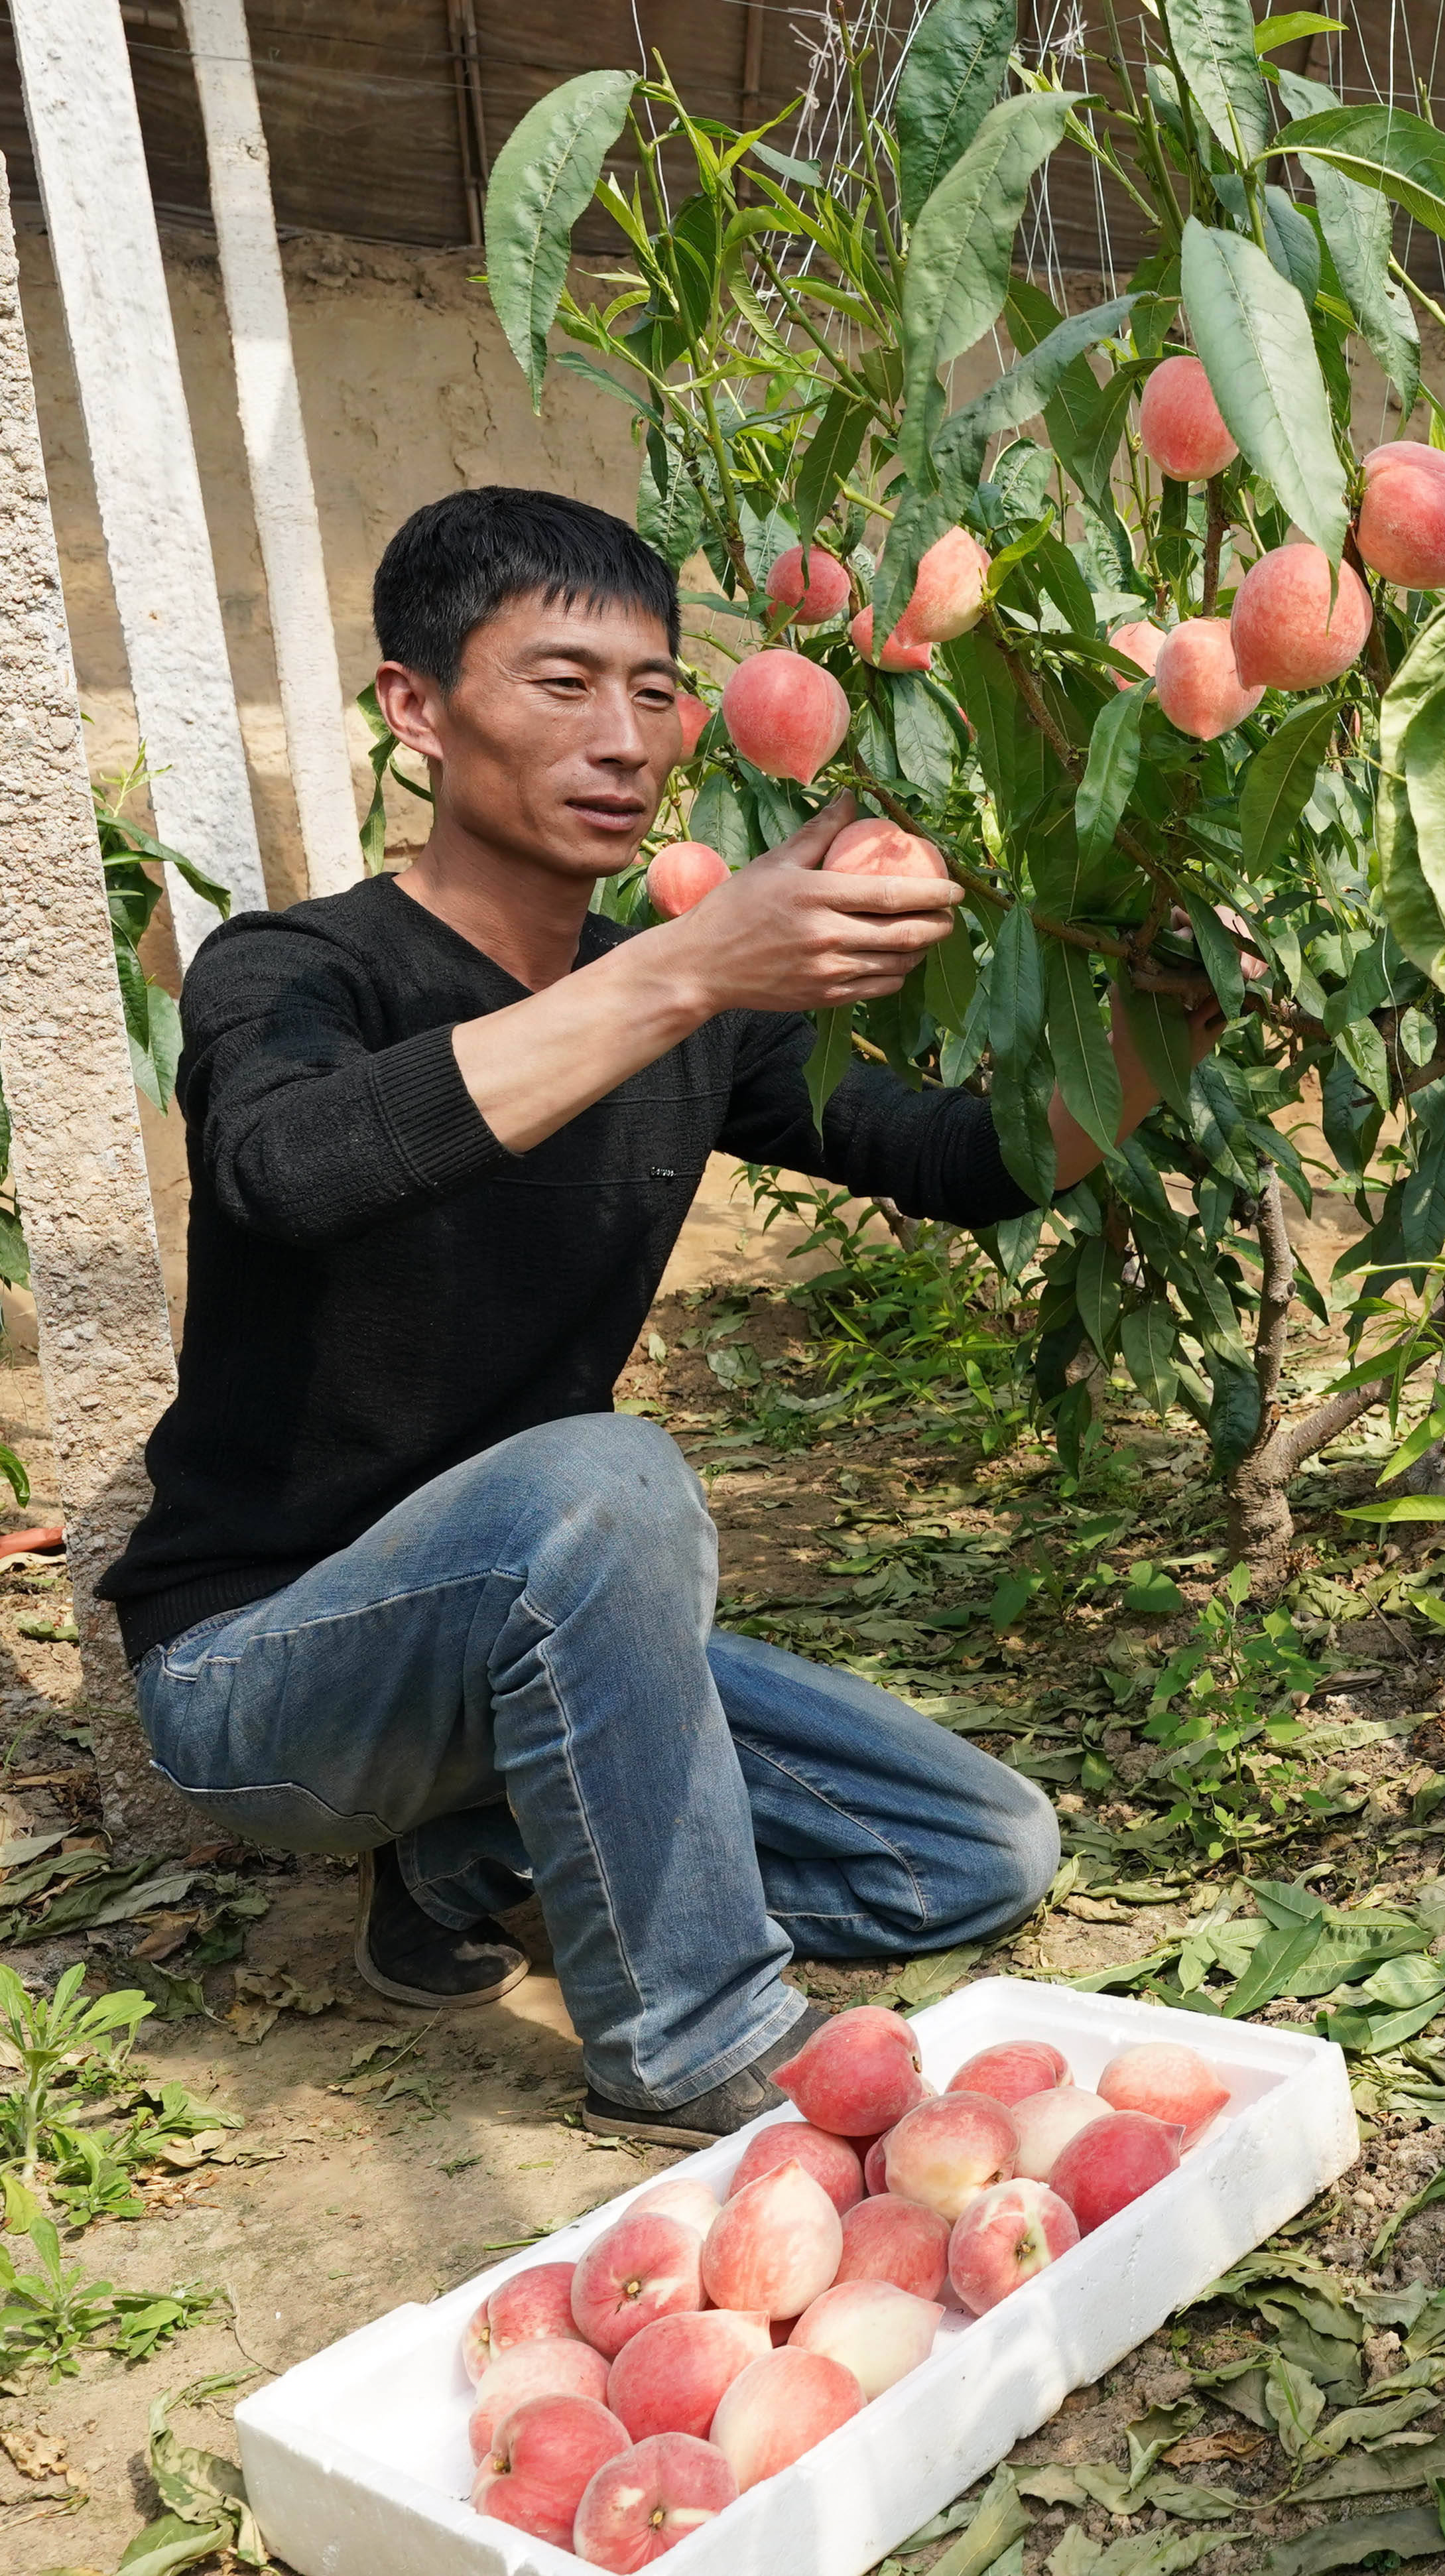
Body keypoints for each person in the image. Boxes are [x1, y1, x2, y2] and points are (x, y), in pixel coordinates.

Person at [101, 489, 1172, 2142]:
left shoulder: (691, 1011)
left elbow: (970, 1161)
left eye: (655, 690)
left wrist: (1183, 1005)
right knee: (601, 1476)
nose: (626, 739)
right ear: (417, 706)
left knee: (978, 1848)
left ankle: (467, 1853)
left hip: (535, 1630)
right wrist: (687, 964)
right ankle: (691, 2044)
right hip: (267, 1671)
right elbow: (287, 1170)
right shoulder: (293, 965)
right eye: (559, 683)